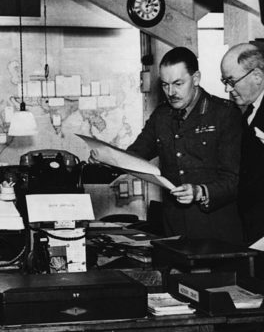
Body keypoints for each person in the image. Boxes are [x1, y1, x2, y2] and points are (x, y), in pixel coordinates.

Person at [94, 47, 243, 243]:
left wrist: (199, 191)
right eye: (165, 85)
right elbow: (135, 155)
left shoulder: (224, 114)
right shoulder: (161, 116)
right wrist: (105, 157)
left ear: (196, 78)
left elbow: (234, 180)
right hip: (174, 231)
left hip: (217, 232)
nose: (171, 92)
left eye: (178, 84)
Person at [220, 43, 264, 244]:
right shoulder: (246, 112)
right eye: (225, 81)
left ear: (257, 76)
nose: (228, 88)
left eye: (231, 81)